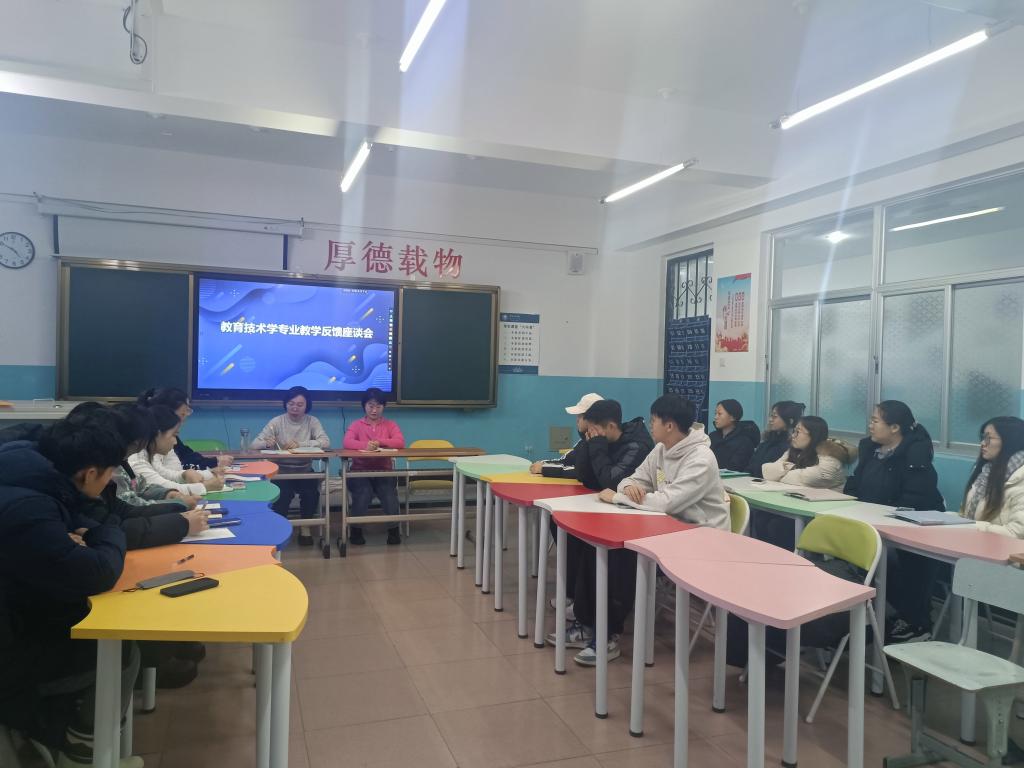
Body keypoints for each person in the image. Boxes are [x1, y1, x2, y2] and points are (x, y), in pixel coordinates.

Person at [0, 417, 142, 767]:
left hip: (21, 612)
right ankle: (82, 753)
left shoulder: (35, 478)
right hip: (13, 645)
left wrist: (90, 536)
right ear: (90, 473)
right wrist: (111, 531)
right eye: (110, 473)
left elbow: (81, 534)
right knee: (116, 649)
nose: (110, 482)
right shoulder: (29, 509)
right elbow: (97, 572)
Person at [551, 395, 727, 666]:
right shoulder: (660, 450)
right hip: (664, 527)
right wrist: (628, 489)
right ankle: (586, 623)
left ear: (669, 425)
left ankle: (608, 636)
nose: (650, 425)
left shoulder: (701, 458)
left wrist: (619, 496)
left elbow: (667, 502)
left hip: (699, 537)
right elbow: (630, 480)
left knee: (622, 553)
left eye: (654, 420)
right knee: (596, 544)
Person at [543, 399, 653, 661]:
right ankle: (585, 620)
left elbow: (611, 481)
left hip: (639, 526)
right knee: (577, 539)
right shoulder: (602, 441)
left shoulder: (637, 445)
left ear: (611, 426)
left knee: (607, 556)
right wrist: (589, 444)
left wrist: (597, 448)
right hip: (610, 513)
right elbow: (587, 477)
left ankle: (608, 633)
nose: (589, 434)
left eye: (593, 430)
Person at [844, 400, 944, 642]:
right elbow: (856, 484)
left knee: (896, 561)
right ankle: (862, 616)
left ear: (895, 427)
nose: (870, 425)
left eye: (875, 421)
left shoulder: (915, 455)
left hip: (912, 530)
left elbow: (915, 500)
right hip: (873, 524)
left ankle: (914, 622)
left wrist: (879, 516)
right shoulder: (871, 450)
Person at [250, 386, 330, 546]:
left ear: (307, 405)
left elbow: (326, 442)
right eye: (291, 404)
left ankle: (305, 528)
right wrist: (267, 443)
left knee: (311, 493)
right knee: (282, 494)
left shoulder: (312, 421)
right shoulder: (276, 422)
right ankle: (279, 529)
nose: (295, 408)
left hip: (304, 471)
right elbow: (254, 444)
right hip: (281, 473)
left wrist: (301, 444)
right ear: (285, 404)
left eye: (300, 405)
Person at [343, 387, 406, 545]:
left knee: (388, 493)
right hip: (359, 471)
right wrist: (365, 445)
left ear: (383, 407)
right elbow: (347, 442)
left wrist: (380, 442)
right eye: (371, 406)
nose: (374, 410)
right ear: (364, 406)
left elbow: (400, 442)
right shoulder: (356, 425)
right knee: (364, 492)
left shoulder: (390, 425)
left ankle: (393, 531)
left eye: (378, 406)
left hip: (383, 471)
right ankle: (356, 531)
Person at [129, 405, 225, 497]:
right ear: (158, 434)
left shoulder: (150, 453)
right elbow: (162, 487)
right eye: (174, 435)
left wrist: (185, 475)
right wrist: (205, 486)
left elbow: (166, 473)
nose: (175, 442)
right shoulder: (136, 459)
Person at [137, 387, 233, 470]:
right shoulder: (148, 444)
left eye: (188, 412)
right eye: (183, 413)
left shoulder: (168, 439)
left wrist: (212, 464)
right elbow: (176, 470)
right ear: (167, 413)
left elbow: (184, 460)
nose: (185, 418)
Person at [962, 416, 1024, 538]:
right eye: (982, 437)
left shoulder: (1020, 477)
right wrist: (941, 519)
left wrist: (969, 526)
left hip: (1004, 549)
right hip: (976, 543)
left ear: (1010, 441)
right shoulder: (986, 472)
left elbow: (1017, 533)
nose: (982, 443)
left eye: (988, 438)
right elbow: (965, 516)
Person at [761, 415, 852, 490]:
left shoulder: (830, 454)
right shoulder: (794, 451)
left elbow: (816, 477)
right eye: (793, 431)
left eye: (798, 432)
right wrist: (784, 471)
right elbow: (769, 472)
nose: (793, 435)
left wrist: (784, 472)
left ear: (814, 434)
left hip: (826, 505)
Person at [529, 392, 604, 479]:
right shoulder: (583, 441)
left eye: (580, 416)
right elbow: (565, 460)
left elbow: (582, 472)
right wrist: (542, 463)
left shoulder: (602, 444)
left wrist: (544, 469)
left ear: (592, 419)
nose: (577, 420)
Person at [747, 400, 805, 478]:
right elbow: (750, 468)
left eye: (774, 417)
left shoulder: (793, 447)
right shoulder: (765, 443)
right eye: (771, 416)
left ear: (790, 421)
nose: (770, 419)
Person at [708, 399, 760, 472]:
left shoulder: (744, 442)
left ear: (733, 417)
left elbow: (736, 467)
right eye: (715, 413)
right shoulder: (712, 436)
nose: (715, 417)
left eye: (719, 414)